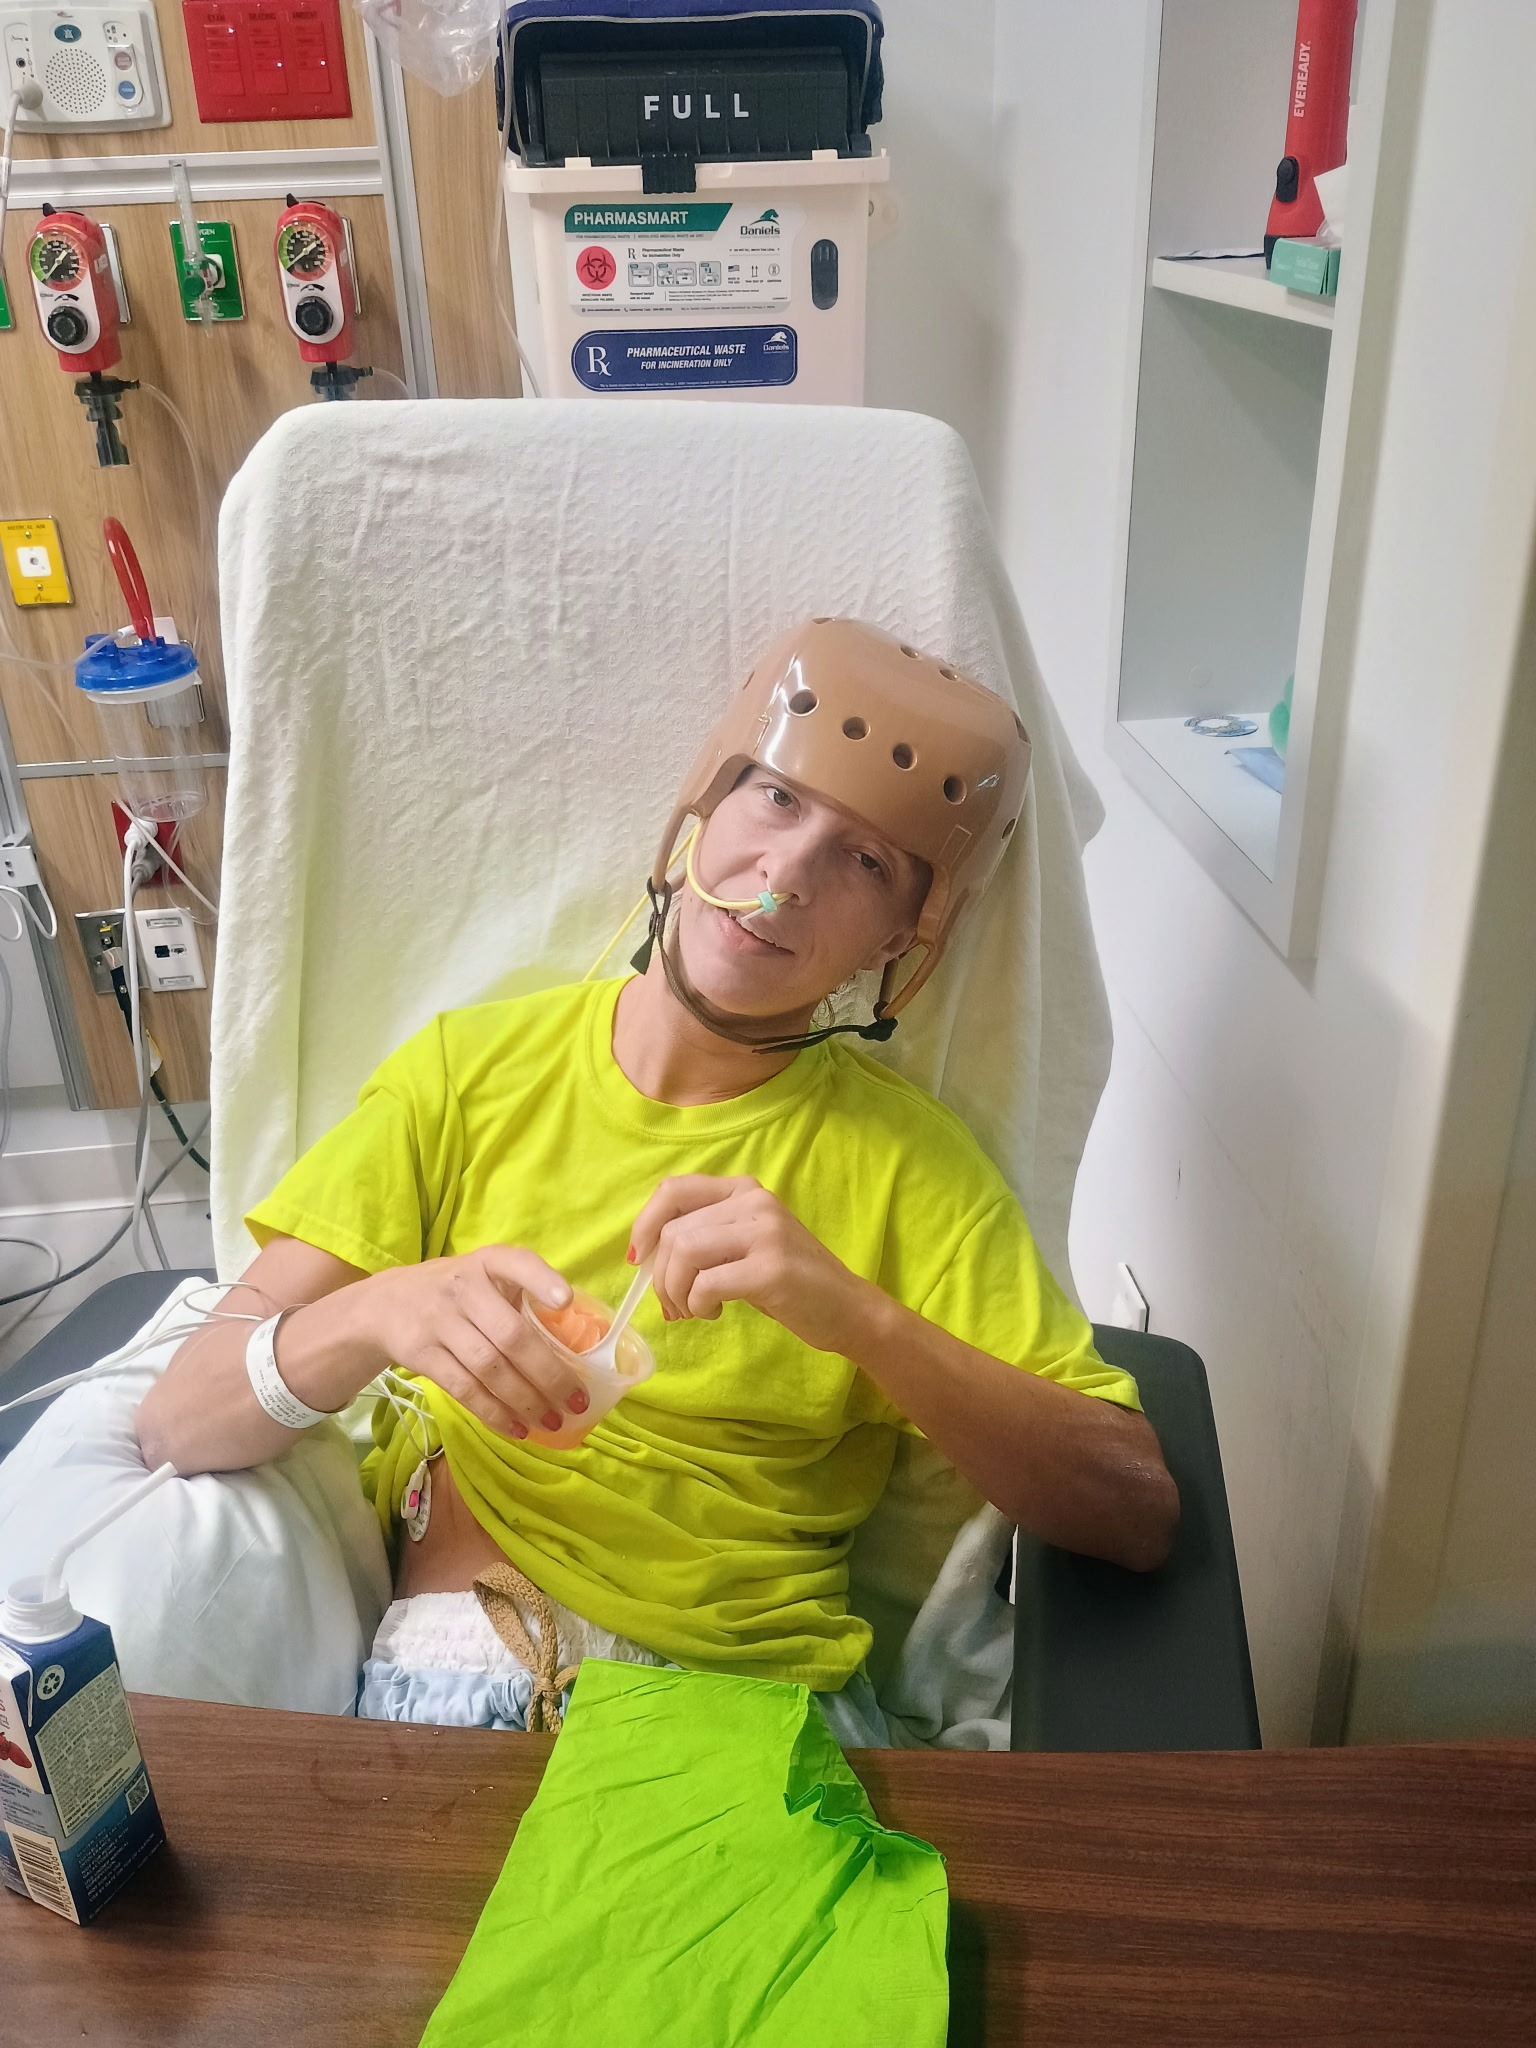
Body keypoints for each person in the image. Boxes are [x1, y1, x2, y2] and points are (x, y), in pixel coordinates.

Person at [134, 618, 1178, 1744]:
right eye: (776, 799)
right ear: (701, 811)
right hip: (483, 1664)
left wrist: (860, 1319)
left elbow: (1133, 1512)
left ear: (900, 942)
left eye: (867, 862)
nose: (787, 876)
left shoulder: (915, 1171)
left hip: (763, 1715)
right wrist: (381, 1310)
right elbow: (181, 1419)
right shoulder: (467, 1076)